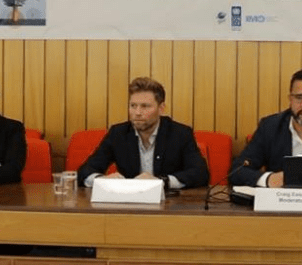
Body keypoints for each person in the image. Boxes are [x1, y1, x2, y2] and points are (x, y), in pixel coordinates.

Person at [77, 77, 209, 190]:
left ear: (161, 108)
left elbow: (201, 174)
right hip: (129, 203)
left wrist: (162, 182)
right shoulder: (118, 133)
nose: (137, 113)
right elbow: (85, 171)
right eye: (133, 106)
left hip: (168, 205)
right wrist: (102, 180)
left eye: (145, 106)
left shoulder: (180, 133)